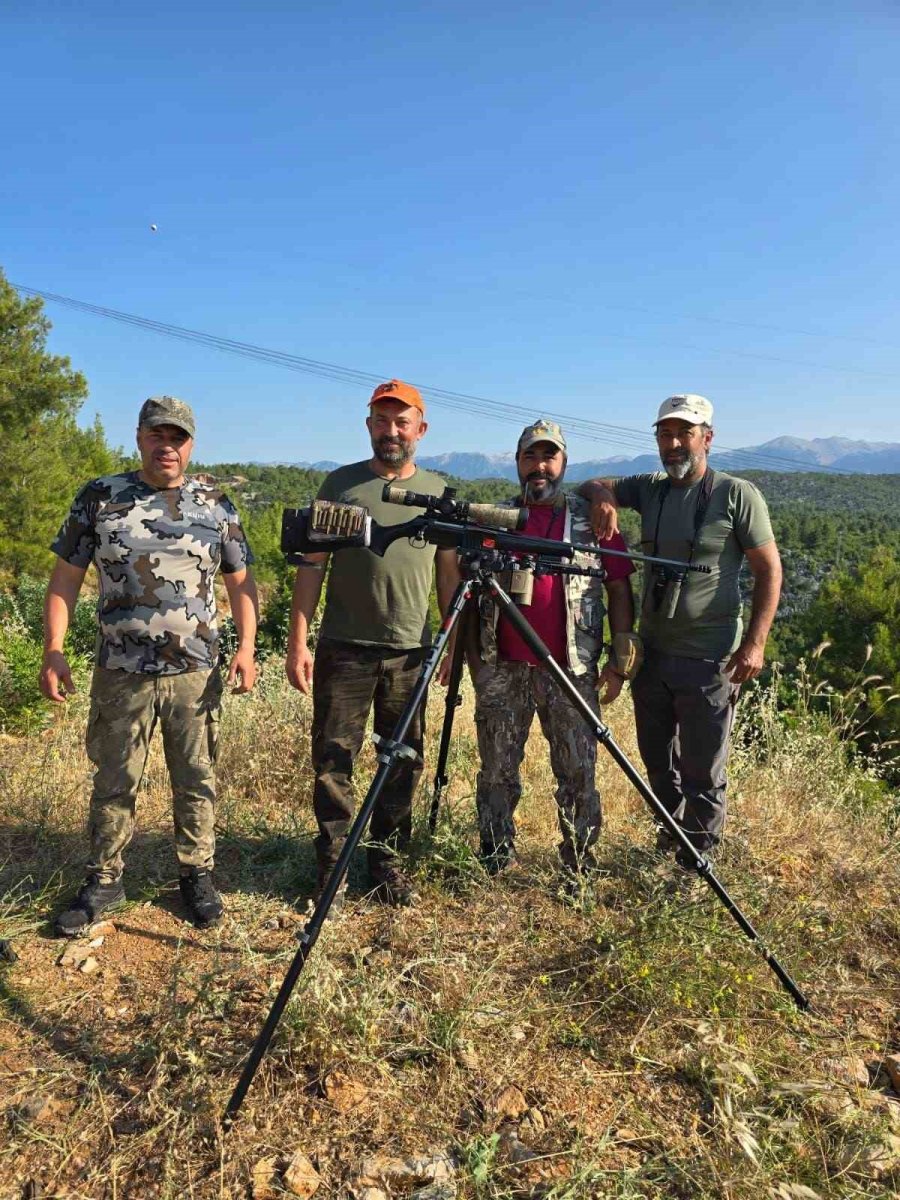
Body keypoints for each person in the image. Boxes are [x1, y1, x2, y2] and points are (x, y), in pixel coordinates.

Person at [41, 396, 258, 935]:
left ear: (191, 443)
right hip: (121, 668)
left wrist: (247, 647)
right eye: (158, 435)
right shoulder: (101, 497)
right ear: (139, 437)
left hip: (195, 670)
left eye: (178, 437)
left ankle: (197, 875)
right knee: (114, 779)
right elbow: (65, 578)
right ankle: (104, 879)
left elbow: (242, 583)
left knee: (196, 777)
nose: (168, 446)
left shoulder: (215, 503)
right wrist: (53, 648)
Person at [579, 394, 782, 870]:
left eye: (683, 434)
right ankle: (670, 840)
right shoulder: (651, 488)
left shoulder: (736, 494)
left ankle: (699, 861)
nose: (673, 445)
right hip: (653, 652)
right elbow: (591, 482)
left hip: (709, 657)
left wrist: (755, 643)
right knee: (657, 762)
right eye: (664, 435)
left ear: (707, 439)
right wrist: (605, 496)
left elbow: (770, 571)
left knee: (702, 769)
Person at [286, 380, 460, 908]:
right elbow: (311, 568)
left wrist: (452, 641)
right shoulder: (339, 486)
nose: (391, 432)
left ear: (420, 430)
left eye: (401, 422)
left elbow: (448, 572)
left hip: (412, 651)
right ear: (368, 426)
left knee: (403, 760)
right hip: (344, 646)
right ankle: (333, 868)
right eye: (381, 421)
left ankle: (387, 863)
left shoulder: (439, 492)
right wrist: (299, 640)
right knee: (334, 758)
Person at [471, 419, 641, 879]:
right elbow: (467, 590)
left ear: (563, 463)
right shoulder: (495, 519)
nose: (539, 466)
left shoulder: (592, 521)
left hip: (572, 667)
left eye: (549, 457)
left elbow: (621, 588)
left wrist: (620, 661)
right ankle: (494, 855)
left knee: (578, 771)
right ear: (517, 463)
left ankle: (579, 865)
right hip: (504, 668)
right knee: (496, 770)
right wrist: (470, 661)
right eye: (530, 456)